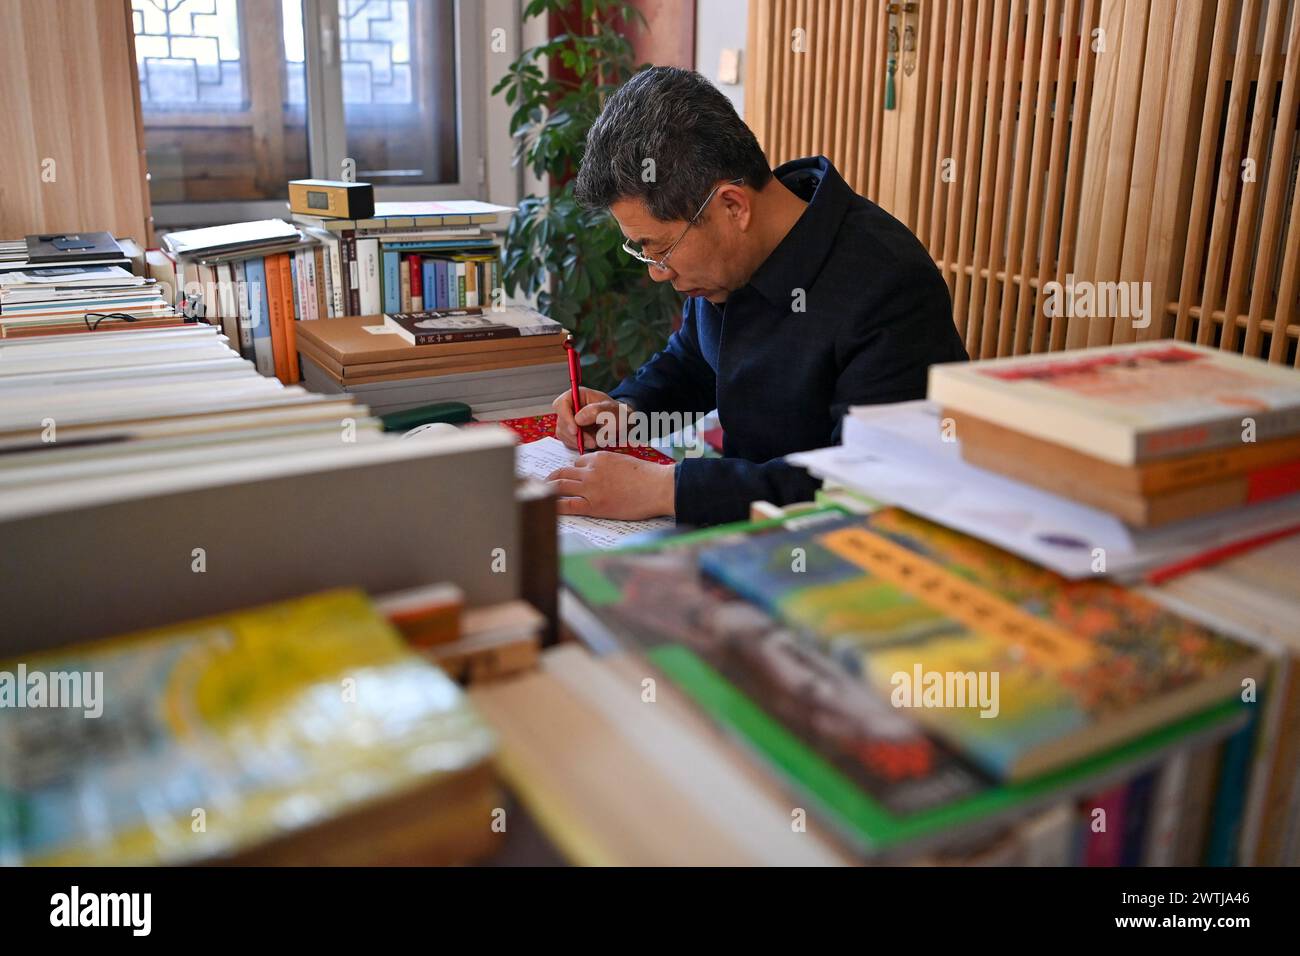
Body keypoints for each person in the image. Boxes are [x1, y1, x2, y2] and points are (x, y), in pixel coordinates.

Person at [547, 66, 968, 527]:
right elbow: (693, 363)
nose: (658, 273)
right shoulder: (723, 261)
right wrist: (624, 411)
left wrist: (667, 489)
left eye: (661, 248)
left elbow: (863, 482)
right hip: (747, 522)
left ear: (733, 206)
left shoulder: (887, 285)